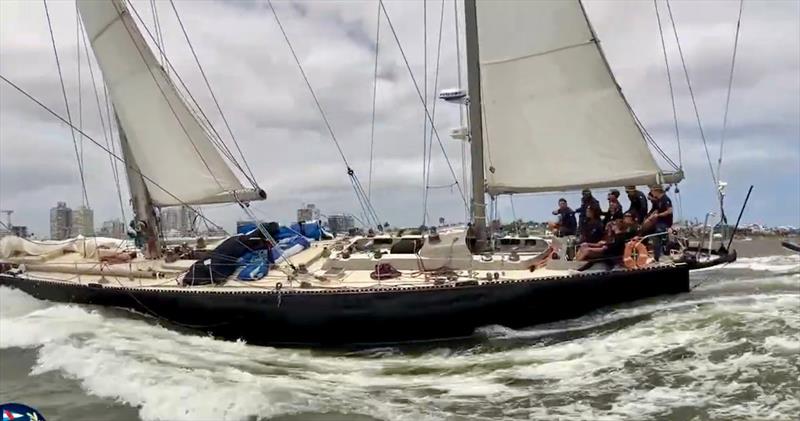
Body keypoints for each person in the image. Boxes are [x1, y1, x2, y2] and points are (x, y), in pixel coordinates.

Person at [644, 184, 673, 261]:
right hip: (659, 222)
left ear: (656, 191)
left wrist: (658, 215)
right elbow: (656, 210)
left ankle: (661, 255)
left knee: (657, 236)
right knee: (650, 233)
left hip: (665, 222)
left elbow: (669, 211)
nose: (651, 193)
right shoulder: (659, 200)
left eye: (652, 191)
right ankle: (657, 256)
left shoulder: (665, 199)